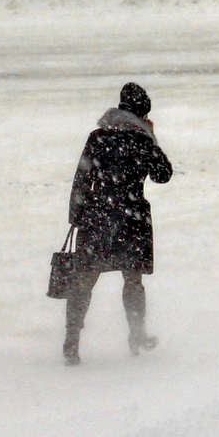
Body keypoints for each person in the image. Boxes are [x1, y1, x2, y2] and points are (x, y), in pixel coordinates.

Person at [63, 82, 173, 365]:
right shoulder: (142, 140)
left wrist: (76, 216)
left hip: (97, 217)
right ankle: (137, 335)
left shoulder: (98, 137)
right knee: (133, 281)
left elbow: (81, 178)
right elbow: (163, 175)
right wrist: (151, 136)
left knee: (84, 280)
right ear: (142, 113)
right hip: (131, 220)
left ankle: (71, 341)